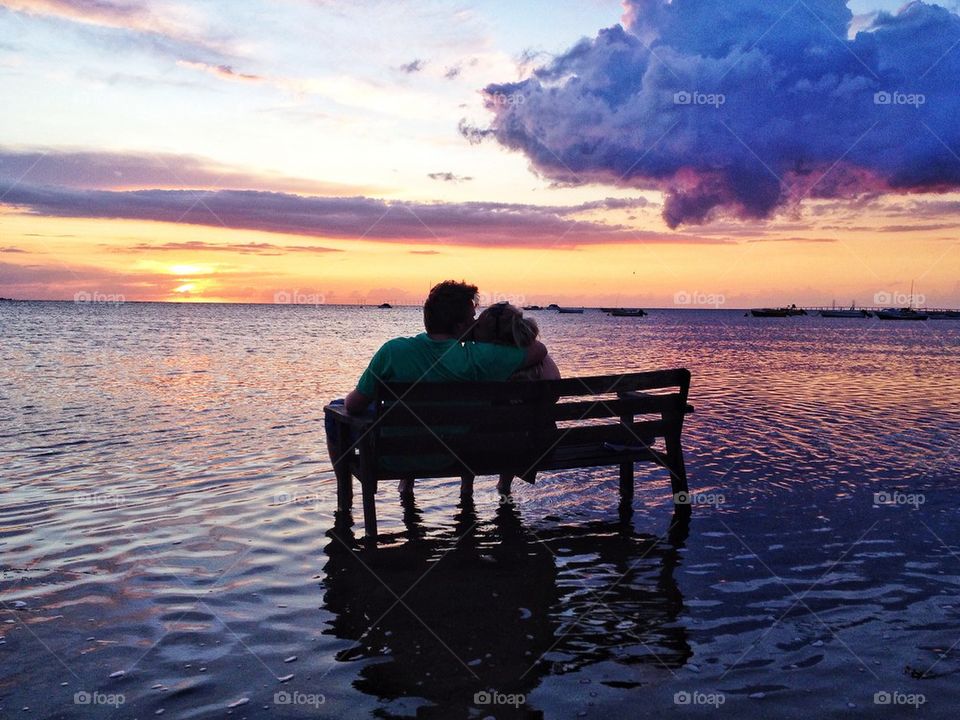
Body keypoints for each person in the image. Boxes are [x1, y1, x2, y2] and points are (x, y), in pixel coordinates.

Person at [327, 280, 549, 495]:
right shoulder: (479, 358)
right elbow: (538, 349)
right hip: (446, 455)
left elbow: (353, 405)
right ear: (460, 326)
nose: (474, 323)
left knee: (335, 411)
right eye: (472, 318)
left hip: (392, 458)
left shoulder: (392, 351)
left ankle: (343, 495)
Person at [469, 302, 561, 493]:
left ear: (492, 334)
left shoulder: (482, 358)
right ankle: (505, 486)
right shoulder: (538, 357)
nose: (474, 326)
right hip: (539, 449)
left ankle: (466, 489)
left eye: (478, 325)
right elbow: (554, 394)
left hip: (488, 450)